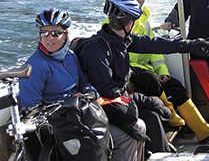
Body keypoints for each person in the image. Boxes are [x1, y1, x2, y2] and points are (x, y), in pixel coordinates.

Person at [78, 0, 209, 153]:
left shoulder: (122, 39)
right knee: (154, 110)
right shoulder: (95, 49)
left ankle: (162, 154)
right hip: (105, 106)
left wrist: (189, 45)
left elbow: (156, 44)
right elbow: (107, 92)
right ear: (130, 24)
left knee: (153, 117)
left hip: (118, 100)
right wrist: (146, 101)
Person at [102, 0, 209, 143]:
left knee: (174, 85)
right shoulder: (115, 24)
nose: (139, 0)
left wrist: (163, 72)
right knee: (150, 80)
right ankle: (172, 115)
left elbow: (153, 48)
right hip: (129, 73)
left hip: (145, 68)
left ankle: (201, 128)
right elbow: (113, 59)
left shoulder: (144, 20)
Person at [19, 8, 146, 161]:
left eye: (56, 33)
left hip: (82, 111)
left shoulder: (70, 56)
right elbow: (30, 109)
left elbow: (84, 82)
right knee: (126, 137)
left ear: (66, 34)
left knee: (138, 125)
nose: (49, 38)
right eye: (44, 33)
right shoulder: (36, 66)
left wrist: (89, 92)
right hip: (64, 123)